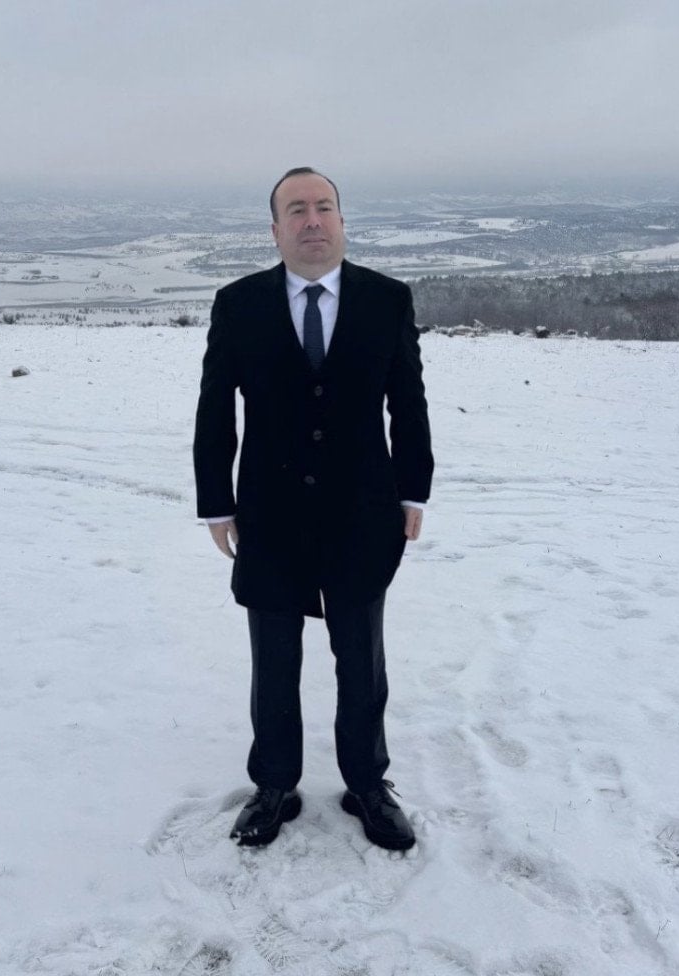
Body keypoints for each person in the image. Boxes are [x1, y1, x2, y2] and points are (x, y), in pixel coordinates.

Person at [193, 167, 433, 851]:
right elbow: (215, 409)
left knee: (362, 659)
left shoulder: (387, 300)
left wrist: (413, 491)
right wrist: (216, 504)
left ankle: (368, 784)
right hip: (269, 514)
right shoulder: (238, 304)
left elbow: (408, 403)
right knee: (273, 660)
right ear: (275, 230)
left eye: (324, 207)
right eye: (296, 210)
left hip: (364, 513)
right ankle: (274, 785)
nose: (312, 220)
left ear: (342, 221)